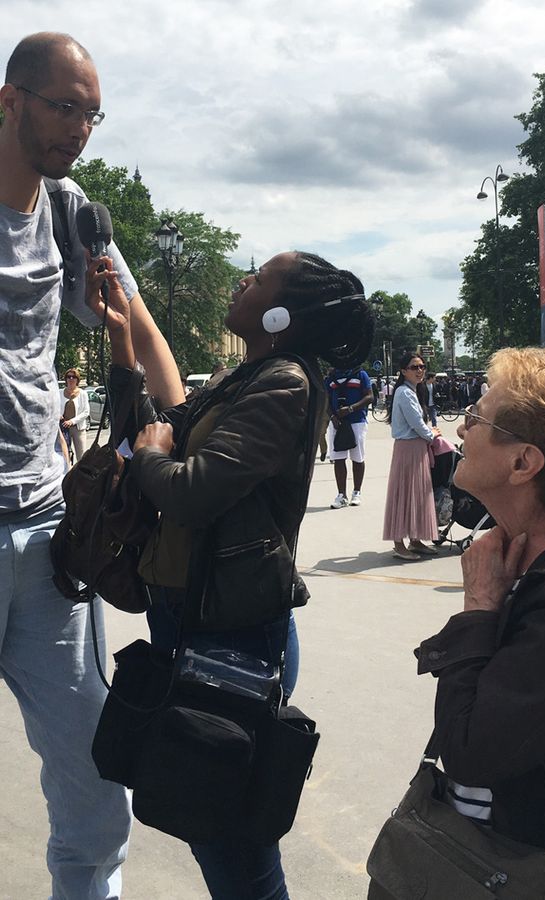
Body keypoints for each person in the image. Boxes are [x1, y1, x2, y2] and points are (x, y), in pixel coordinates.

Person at [98, 248, 373, 899]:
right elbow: (150, 431)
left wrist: (153, 457)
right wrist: (120, 342)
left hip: (235, 632)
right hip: (191, 619)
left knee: (226, 834)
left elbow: (189, 491)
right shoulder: (244, 377)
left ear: (280, 313)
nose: (243, 281)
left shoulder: (286, 384)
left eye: (261, 279)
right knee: (207, 818)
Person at [0, 32, 184, 898]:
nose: (80, 128)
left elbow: (139, 329)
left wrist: (183, 428)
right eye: (64, 107)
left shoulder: (73, 213)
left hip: (44, 533)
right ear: (10, 99)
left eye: (91, 113)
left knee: (92, 775)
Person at [413, 347, 545, 897]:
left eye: (478, 417)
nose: (463, 427)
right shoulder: (544, 555)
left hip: (513, 860)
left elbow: (471, 752)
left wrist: (480, 605)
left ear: (523, 463)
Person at [383, 351, 441, 560]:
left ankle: (415, 539)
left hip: (415, 448)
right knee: (404, 493)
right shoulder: (405, 393)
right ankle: (399, 543)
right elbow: (416, 422)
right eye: (414, 367)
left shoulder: (413, 391)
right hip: (409, 448)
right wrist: (431, 434)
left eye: (422, 366)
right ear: (403, 371)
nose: (419, 371)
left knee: (417, 493)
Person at [325, 362, 372, 507]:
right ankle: (341, 494)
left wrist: (351, 409)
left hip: (356, 420)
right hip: (337, 422)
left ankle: (356, 492)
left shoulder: (360, 374)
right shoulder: (330, 378)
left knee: (357, 457)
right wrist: (332, 416)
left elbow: (369, 397)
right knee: (338, 458)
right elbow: (325, 400)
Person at [60, 366, 90, 463]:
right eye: (69, 377)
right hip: (63, 429)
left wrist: (72, 421)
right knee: (63, 455)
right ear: (66, 379)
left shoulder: (82, 394)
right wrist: (58, 416)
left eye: (73, 377)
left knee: (81, 457)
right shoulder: (60, 393)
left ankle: (80, 477)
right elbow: (54, 408)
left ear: (77, 380)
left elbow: (86, 412)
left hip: (78, 429)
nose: (71, 379)